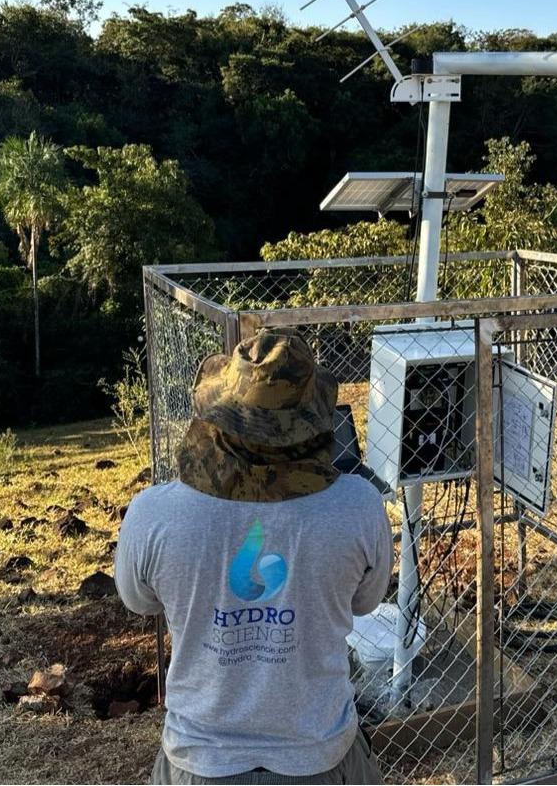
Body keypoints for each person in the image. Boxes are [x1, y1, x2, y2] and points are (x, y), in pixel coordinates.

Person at [115, 327, 393, 785]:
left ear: (219, 415)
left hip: (200, 762)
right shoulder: (359, 506)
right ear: (315, 421)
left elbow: (139, 600)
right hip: (320, 757)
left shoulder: (153, 514)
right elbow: (364, 603)